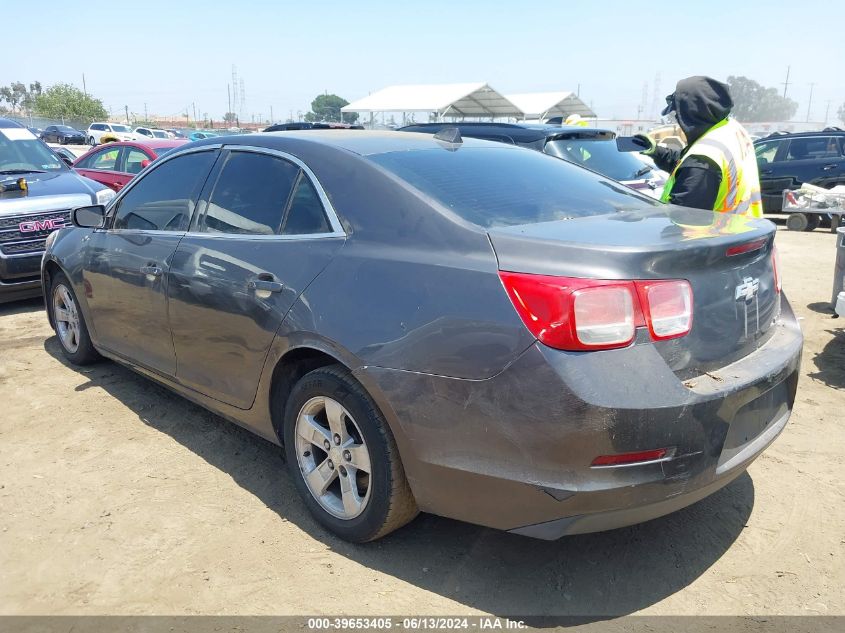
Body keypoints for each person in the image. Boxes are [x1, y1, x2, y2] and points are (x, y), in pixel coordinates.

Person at [635, 76, 763, 217]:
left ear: (691, 113)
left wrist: (641, 216)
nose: (677, 119)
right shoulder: (731, 129)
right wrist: (656, 151)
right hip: (744, 229)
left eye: (678, 113)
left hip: (716, 236)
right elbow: (685, 161)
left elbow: (682, 222)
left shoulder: (702, 162)